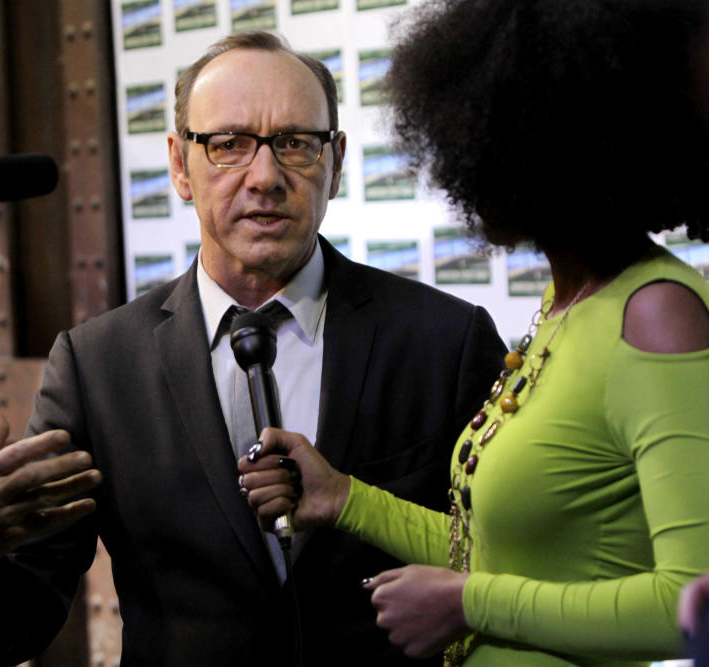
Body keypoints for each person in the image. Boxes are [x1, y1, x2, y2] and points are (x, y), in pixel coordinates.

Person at [0, 31, 506, 666]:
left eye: (295, 143)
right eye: (229, 145)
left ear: (335, 161)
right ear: (179, 165)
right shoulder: (97, 367)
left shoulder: (445, 340)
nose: (265, 177)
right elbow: (12, 630)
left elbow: (517, 564)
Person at [240, 1, 709, 665]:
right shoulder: (567, 302)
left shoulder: (659, 314)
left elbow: (690, 604)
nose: (463, 164)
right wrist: (344, 497)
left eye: (498, 134)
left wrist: (469, 603)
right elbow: (492, 551)